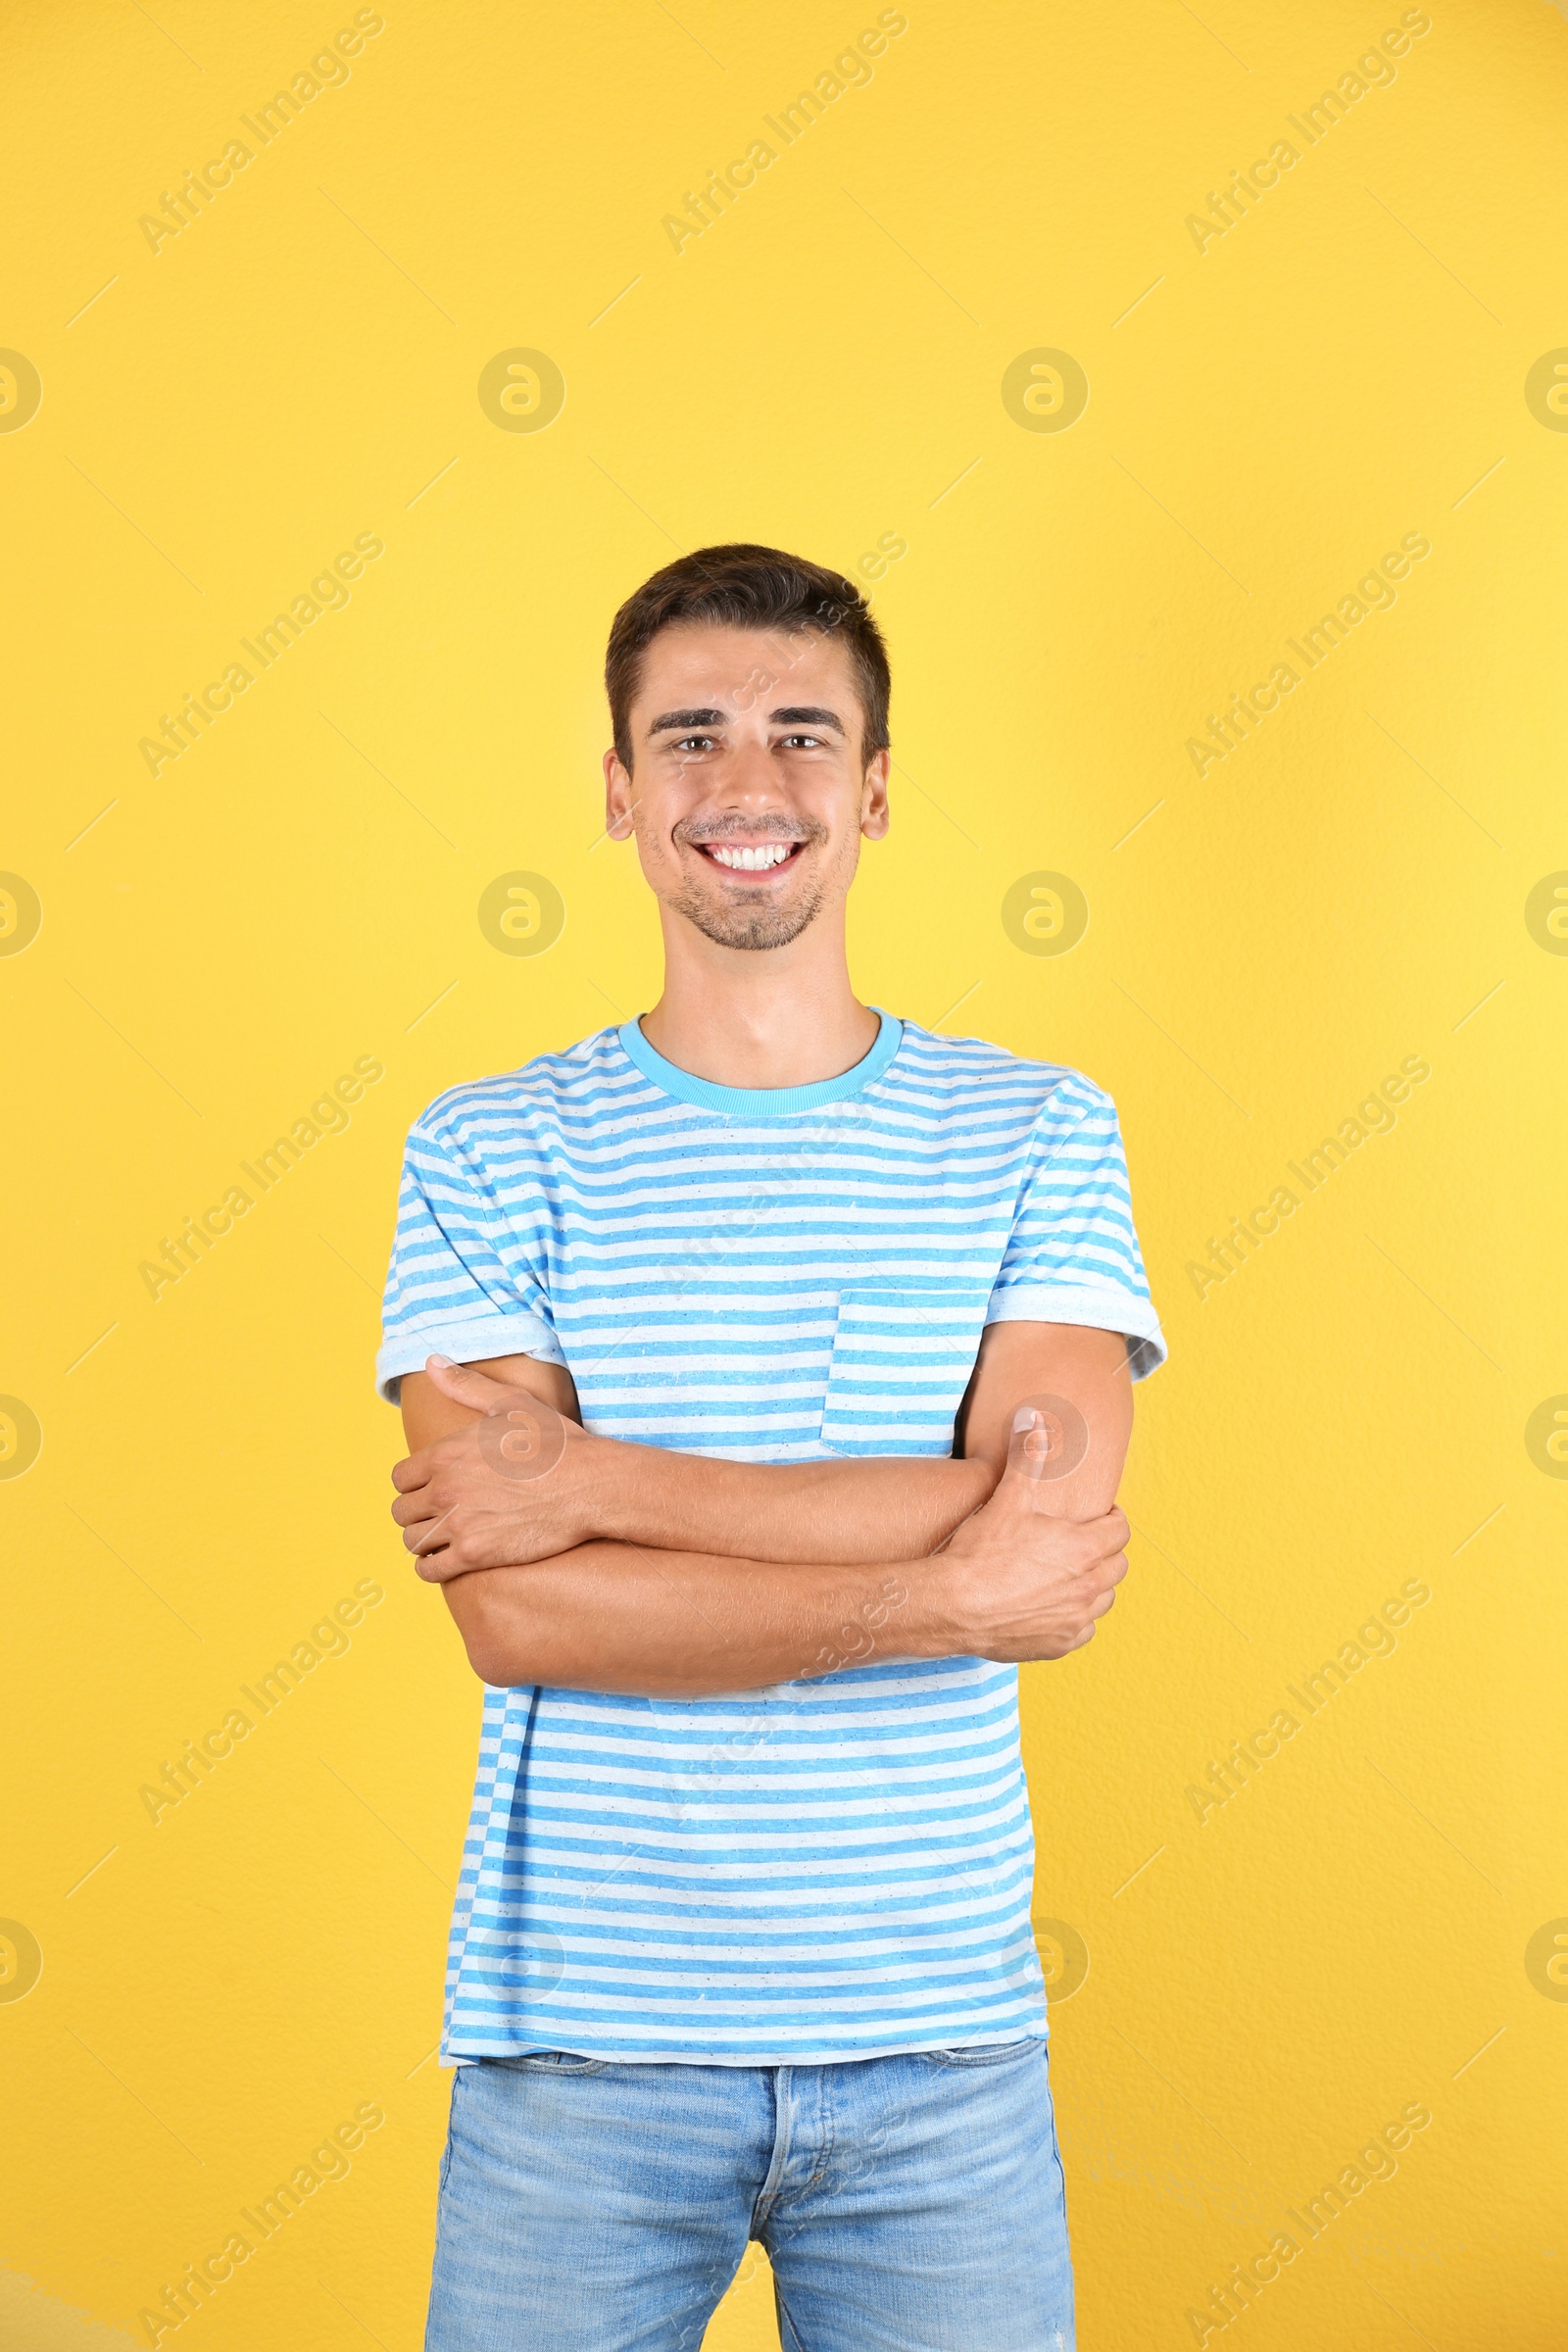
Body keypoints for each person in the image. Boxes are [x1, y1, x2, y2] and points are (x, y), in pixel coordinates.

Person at [378, 543, 1166, 2352]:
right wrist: (940, 1583)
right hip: (579, 2048)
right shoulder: (490, 1148)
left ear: (877, 789)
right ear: (620, 791)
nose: (750, 787)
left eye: (805, 735)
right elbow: (526, 1624)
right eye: (694, 736)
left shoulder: (1037, 1127)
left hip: (938, 2052)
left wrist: (591, 1484)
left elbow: (1049, 1529)